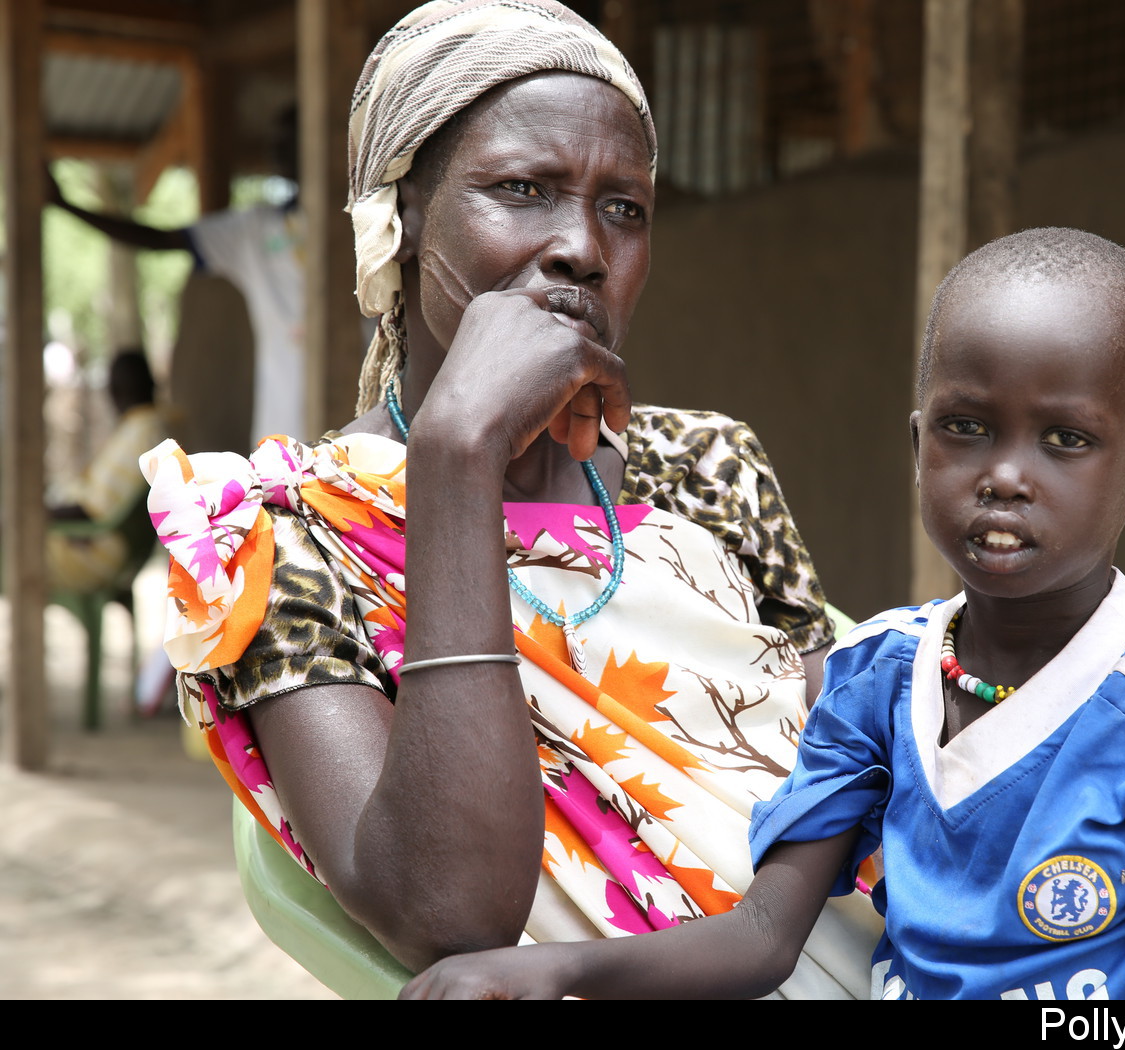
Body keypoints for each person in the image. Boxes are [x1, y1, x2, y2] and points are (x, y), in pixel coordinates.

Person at [139, 0, 877, 996]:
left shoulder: (706, 465)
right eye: (521, 188)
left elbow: (852, 776)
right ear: (395, 220)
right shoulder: (287, 538)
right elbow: (450, 910)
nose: (583, 246)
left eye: (624, 207)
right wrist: (456, 457)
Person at [400, 229, 1125, 1000]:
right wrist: (548, 971)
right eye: (968, 427)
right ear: (919, 445)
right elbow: (764, 938)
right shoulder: (877, 676)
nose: (1006, 475)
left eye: (1066, 441)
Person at [49, 106, 308, 443]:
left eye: (289, 137)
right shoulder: (256, 230)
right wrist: (66, 205)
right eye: (276, 139)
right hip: (286, 427)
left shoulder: (365, 219)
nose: (276, 148)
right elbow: (160, 238)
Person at [46, 348, 166, 590]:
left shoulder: (140, 432)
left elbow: (89, 509)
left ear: (114, 391)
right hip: (103, 543)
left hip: (96, 551)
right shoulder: (147, 427)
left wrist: (36, 513)